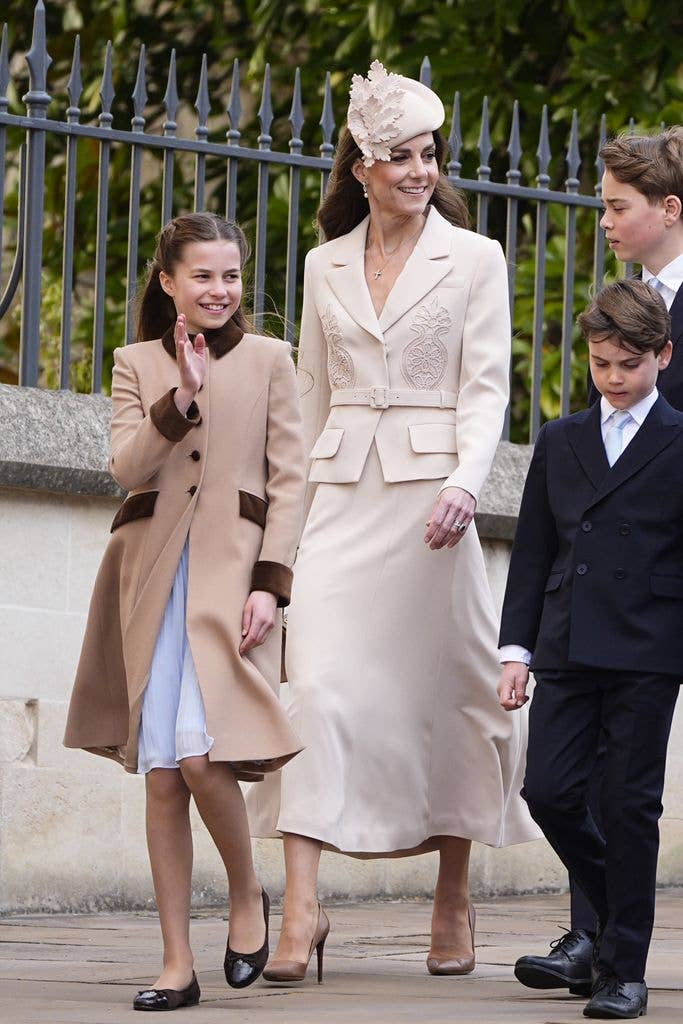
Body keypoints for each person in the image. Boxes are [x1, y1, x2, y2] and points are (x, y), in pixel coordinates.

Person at [248, 60, 538, 984]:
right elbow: (307, 391)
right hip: (339, 498)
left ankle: (452, 896)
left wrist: (465, 481)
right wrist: (278, 530)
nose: (420, 170)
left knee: (442, 695)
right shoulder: (321, 263)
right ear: (362, 166)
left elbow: (487, 387)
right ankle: (300, 907)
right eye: (401, 157)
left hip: (432, 510)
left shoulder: (476, 257)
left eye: (429, 155)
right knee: (316, 691)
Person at [63, 213, 306, 1010]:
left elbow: (290, 480)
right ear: (168, 281)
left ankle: (246, 895)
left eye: (230, 275)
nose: (219, 290)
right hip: (151, 580)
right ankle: (175, 961)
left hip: (230, 581)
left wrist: (270, 583)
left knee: (203, 758)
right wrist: (182, 395)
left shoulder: (273, 358)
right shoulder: (136, 363)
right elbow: (124, 468)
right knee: (163, 776)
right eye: (202, 275)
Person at [513, 126, 683, 998]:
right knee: (563, 784)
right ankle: (595, 932)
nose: (603, 218)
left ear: (667, 209)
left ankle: (611, 948)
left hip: (652, 615)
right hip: (582, 618)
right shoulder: (619, 314)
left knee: (627, 795)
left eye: (616, 205)